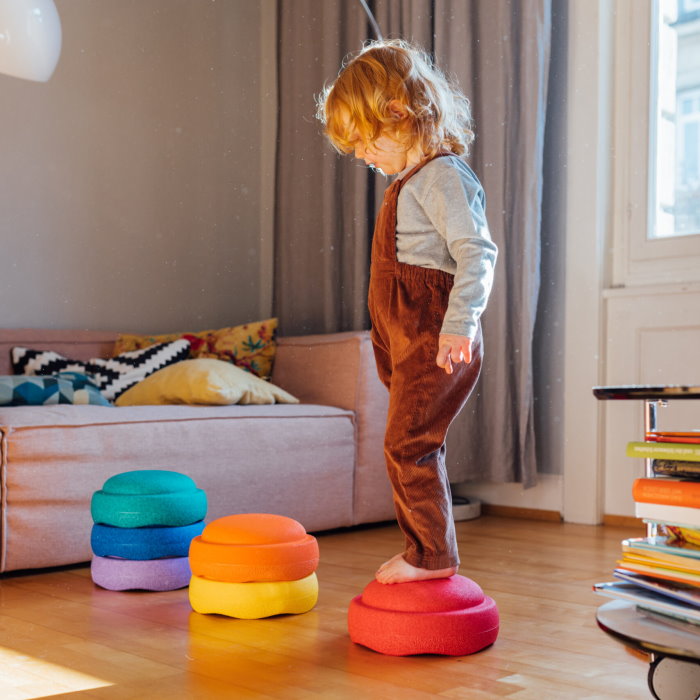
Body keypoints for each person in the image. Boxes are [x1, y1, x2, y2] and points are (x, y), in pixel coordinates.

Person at [317, 39, 497, 584]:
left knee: (408, 445)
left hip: (433, 334)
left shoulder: (442, 175)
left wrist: (459, 325)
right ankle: (428, 550)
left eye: (366, 142)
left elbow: (476, 251)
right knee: (411, 444)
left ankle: (430, 557)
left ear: (399, 113)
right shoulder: (410, 182)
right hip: (404, 335)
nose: (361, 156)